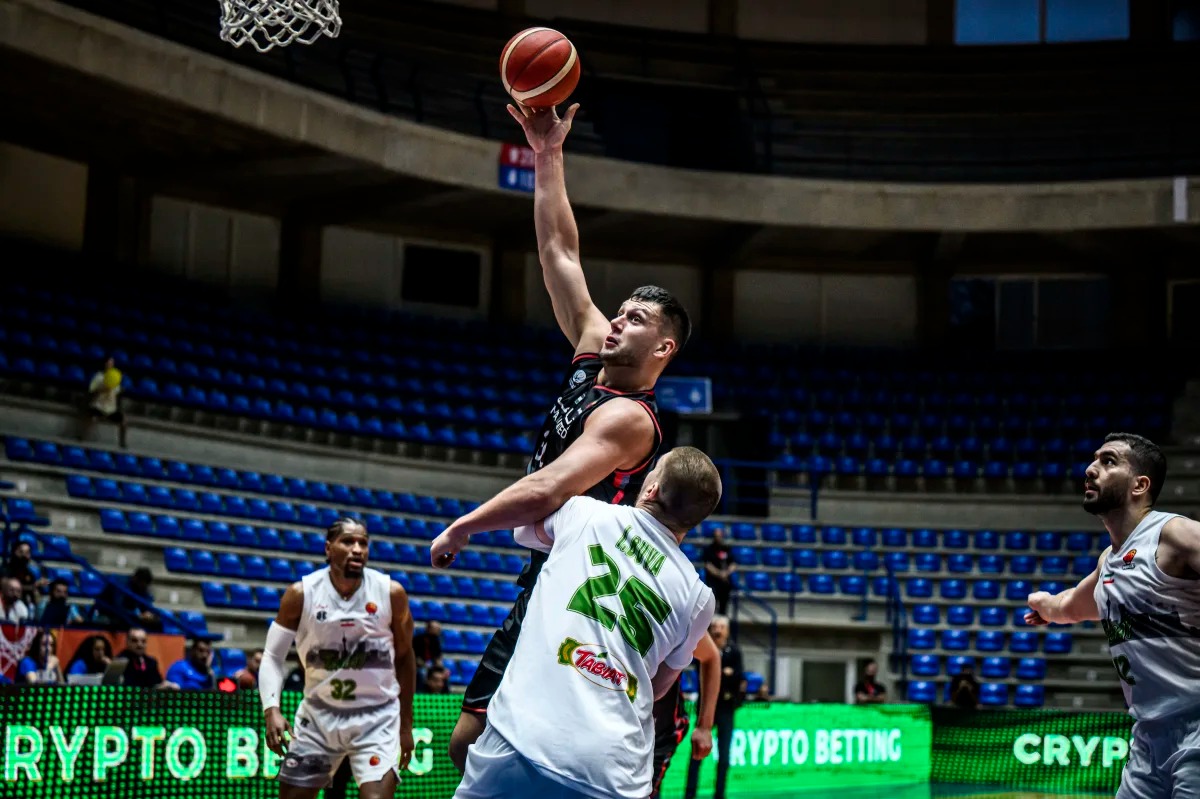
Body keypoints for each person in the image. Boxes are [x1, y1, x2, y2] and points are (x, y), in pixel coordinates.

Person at [430, 97, 695, 778]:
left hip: (586, 594)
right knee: (469, 743)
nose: (616, 321)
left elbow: (549, 487)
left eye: (635, 319)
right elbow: (558, 252)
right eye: (620, 311)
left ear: (662, 348)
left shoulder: (630, 418)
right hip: (546, 572)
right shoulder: (591, 346)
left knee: (512, 751)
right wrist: (547, 153)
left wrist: (464, 524)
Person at [453, 446, 723, 799]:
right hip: (614, 774)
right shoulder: (699, 598)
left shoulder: (584, 512)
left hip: (520, 742)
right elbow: (656, 687)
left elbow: (524, 528)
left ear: (652, 489)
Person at [1026, 432, 1200, 799]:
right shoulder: (1110, 561)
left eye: (1108, 462)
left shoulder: (1175, 534)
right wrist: (1044, 604)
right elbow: (1071, 607)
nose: (1090, 470)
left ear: (1140, 485)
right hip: (1147, 742)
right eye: (1094, 460)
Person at [259, 518, 417, 799]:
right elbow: (272, 655)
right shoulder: (301, 594)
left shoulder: (391, 593)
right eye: (348, 541)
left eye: (363, 543)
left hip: (377, 718)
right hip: (319, 717)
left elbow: (405, 658)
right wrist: (271, 709)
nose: (357, 549)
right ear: (328, 548)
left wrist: (406, 726)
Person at [684, 615, 744, 799]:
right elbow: (702, 670)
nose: (718, 630)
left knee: (724, 757)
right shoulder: (703, 646)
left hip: (726, 708)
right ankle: (689, 794)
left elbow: (738, 677)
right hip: (706, 706)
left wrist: (724, 674)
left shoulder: (734, 651)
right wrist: (724, 672)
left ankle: (719, 795)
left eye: (721, 627)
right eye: (715, 626)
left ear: (727, 630)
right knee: (696, 753)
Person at [82, 357, 127, 449]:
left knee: (124, 421)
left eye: (112, 363)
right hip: (98, 405)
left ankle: (122, 443)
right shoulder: (99, 377)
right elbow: (91, 391)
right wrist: (102, 389)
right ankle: (82, 437)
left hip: (111, 408)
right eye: (109, 363)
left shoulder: (115, 376)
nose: (110, 365)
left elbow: (118, 392)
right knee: (91, 418)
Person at [702, 527, 736, 615]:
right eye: (716, 536)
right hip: (713, 582)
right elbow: (708, 565)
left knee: (723, 607)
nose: (718, 538)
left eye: (720, 536)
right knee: (711, 607)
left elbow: (733, 564)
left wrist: (726, 573)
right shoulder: (708, 549)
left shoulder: (726, 549)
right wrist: (720, 574)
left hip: (725, 582)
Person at [4, 541, 45, 606]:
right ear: (13, 552)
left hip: (23, 605)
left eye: (27, 552)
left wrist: (36, 590)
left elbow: (35, 598)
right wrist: (32, 587)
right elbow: (6, 587)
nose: (24, 555)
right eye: (21, 552)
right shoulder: (6, 569)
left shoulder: (29, 573)